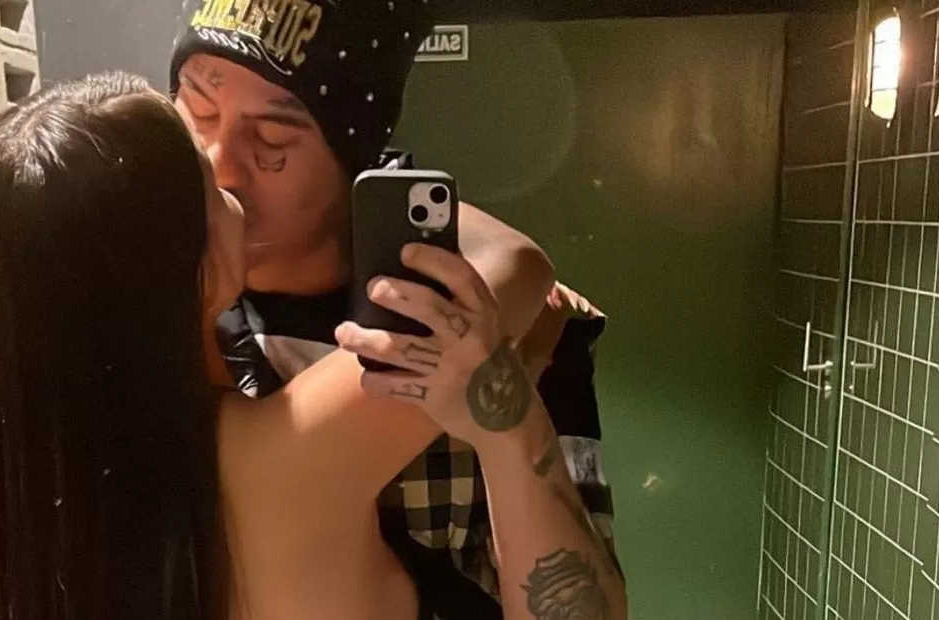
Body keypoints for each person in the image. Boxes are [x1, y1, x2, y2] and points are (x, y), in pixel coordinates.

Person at [0, 71, 625, 620]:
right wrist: (367, 170)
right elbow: (515, 265)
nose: (229, 171)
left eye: (271, 137)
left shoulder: (27, 491)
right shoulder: (280, 459)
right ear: (184, 268)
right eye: (202, 165)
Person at [168, 0, 624, 607]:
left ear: (355, 162)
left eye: (272, 141)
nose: (218, 166)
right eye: (197, 111)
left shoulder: (496, 327)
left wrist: (509, 430)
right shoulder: (156, 319)